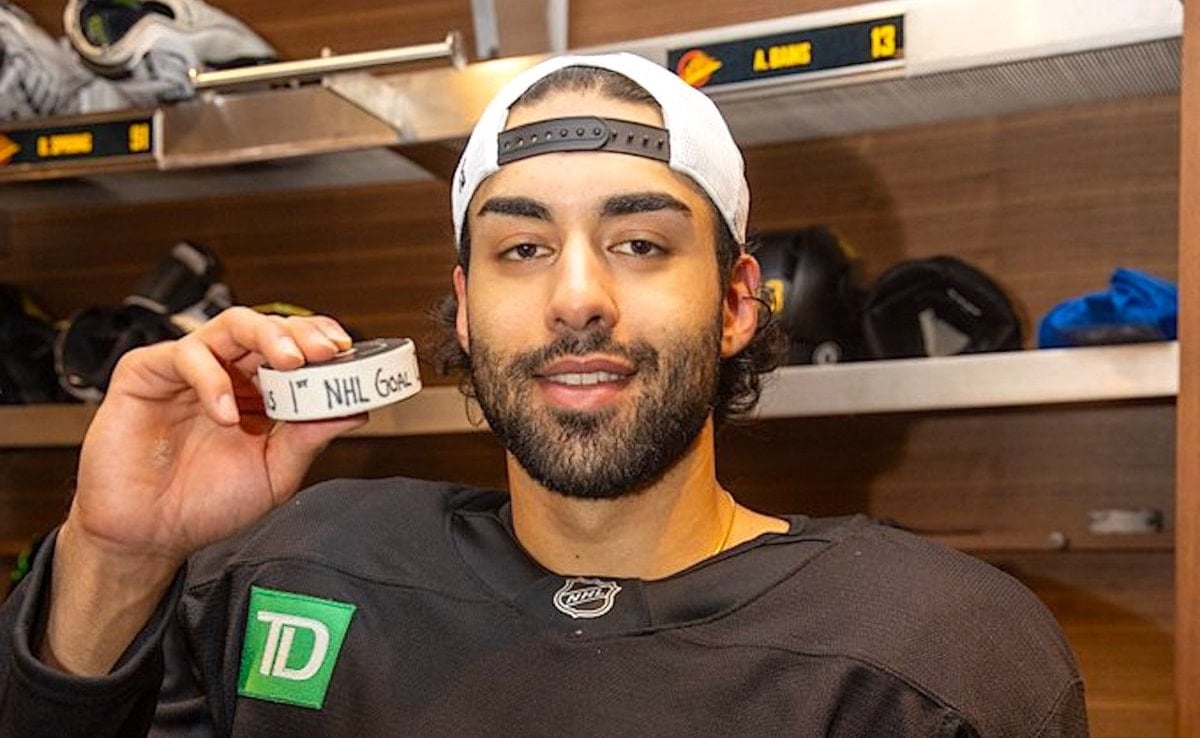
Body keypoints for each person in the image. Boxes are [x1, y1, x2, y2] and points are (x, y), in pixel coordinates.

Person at [0, 52, 1087, 737]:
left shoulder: (935, 655)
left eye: (640, 242)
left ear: (738, 300)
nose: (578, 296)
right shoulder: (288, 567)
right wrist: (119, 553)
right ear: (465, 309)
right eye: (523, 247)